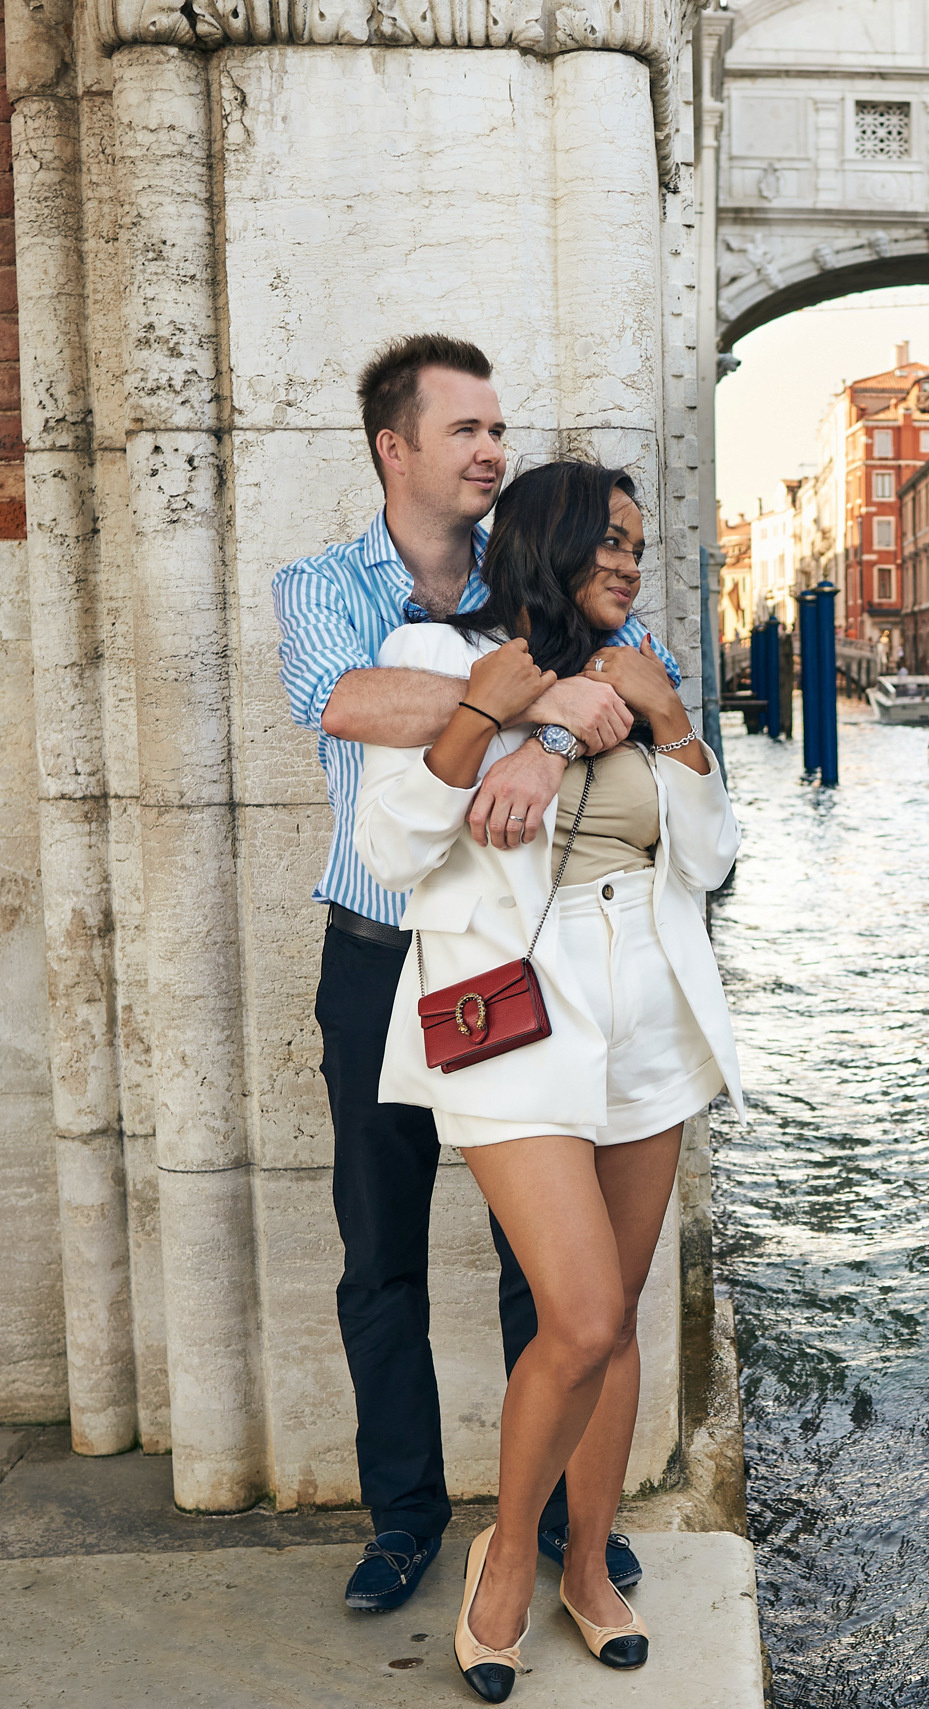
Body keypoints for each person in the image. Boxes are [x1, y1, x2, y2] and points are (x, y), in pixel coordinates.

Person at [270, 335, 674, 1616]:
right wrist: (537, 699)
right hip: (382, 953)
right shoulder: (322, 582)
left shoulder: (557, 581)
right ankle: (403, 1518)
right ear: (395, 447)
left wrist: (547, 705)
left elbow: (648, 700)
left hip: (521, 970)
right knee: (378, 1248)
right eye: (465, 431)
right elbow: (344, 701)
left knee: (546, 1264)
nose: (492, 450)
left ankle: (557, 1515)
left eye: (499, 430)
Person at [355, 461, 741, 1701]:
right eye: (611, 541)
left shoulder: (642, 663)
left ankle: (588, 1563)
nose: (631, 561)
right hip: (514, 1018)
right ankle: (507, 1553)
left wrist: (667, 722)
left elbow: (712, 859)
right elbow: (387, 849)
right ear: (552, 538)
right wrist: (494, 722)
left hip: (646, 1013)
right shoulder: (448, 649)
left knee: (615, 1319)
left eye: (638, 542)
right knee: (574, 1316)